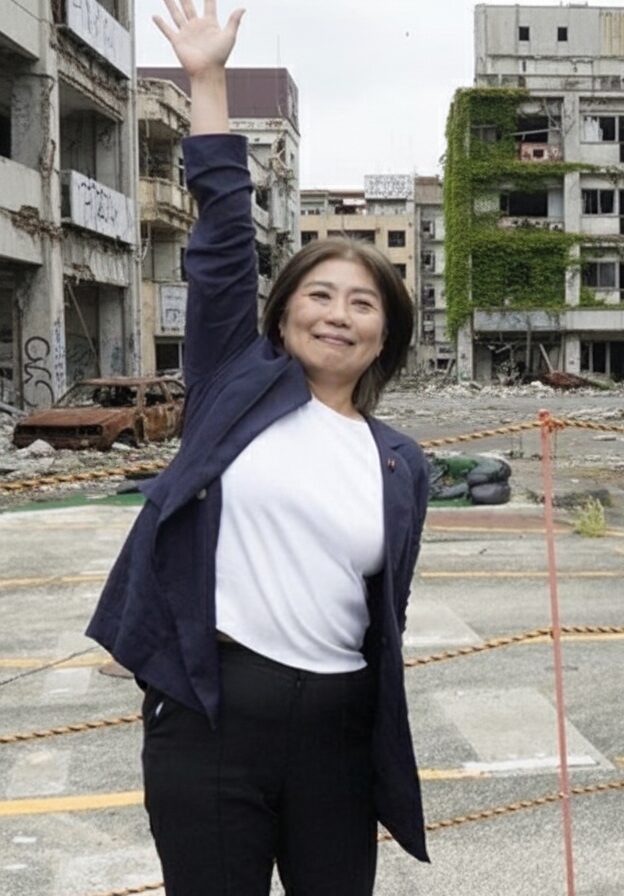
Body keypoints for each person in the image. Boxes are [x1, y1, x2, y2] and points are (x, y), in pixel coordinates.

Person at [85, 2, 430, 893]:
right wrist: (207, 83)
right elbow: (225, 243)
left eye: (364, 303)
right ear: (282, 315)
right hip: (211, 717)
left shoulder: (401, 463)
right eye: (320, 294)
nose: (339, 314)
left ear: (385, 335)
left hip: (338, 732)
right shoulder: (236, 383)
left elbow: (383, 614)